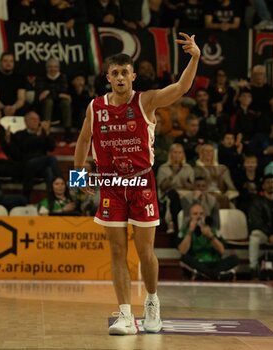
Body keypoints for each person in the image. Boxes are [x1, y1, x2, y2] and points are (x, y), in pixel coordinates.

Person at [74, 33, 200, 335]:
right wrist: (77, 176)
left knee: (145, 253)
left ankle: (153, 303)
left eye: (124, 72)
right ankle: (125, 315)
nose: (119, 77)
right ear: (108, 77)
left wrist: (194, 57)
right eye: (114, 73)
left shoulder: (147, 100)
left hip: (142, 183)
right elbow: (83, 140)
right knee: (117, 252)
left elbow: (182, 87)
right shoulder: (96, 107)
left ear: (132, 76)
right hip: (111, 185)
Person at [177, 203, 239, 280]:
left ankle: (207, 275)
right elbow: (182, 251)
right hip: (198, 263)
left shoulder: (213, 230)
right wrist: (190, 232)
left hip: (215, 262)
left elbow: (222, 251)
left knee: (234, 258)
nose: (199, 216)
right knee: (184, 258)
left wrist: (210, 236)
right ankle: (216, 275)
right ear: (190, 216)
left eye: (201, 214)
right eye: (195, 214)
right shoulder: (185, 230)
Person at [248, 174, 273, 277]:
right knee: (254, 236)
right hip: (265, 234)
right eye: (268, 182)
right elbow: (256, 222)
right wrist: (270, 235)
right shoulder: (257, 202)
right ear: (263, 186)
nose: (271, 185)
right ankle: (253, 269)